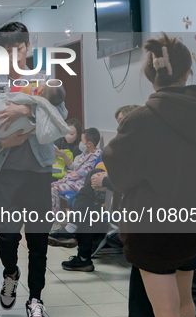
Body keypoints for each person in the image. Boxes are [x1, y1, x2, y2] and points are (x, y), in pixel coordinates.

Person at [103, 34, 196, 317]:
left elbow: (119, 175)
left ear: (151, 75)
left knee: (164, 314)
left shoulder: (140, 120)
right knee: (184, 303)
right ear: (187, 72)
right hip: (193, 226)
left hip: (153, 232)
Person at [0, 22, 68, 317]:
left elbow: (61, 116)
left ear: (27, 47)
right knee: (7, 234)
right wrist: (0, 141)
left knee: (38, 239)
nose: (13, 54)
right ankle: (10, 273)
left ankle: (35, 299)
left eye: (18, 48)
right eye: (6, 49)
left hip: (39, 171)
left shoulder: (45, 82)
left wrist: (27, 112)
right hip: (6, 171)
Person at [49, 106, 140, 272]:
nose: (119, 126)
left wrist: (105, 181)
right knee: (88, 192)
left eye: (121, 121)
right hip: (113, 193)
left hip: (129, 200)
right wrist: (104, 177)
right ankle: (77, 242)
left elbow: (134, 182)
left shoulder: (139, 148)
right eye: (118, 122)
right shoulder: (126, 145)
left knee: (86, 207)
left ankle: (79, 247)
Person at [0, 86, 69, 184]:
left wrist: (28, 110)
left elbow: (61, 113)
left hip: (40, 167)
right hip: (5, 168)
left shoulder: (45, 82)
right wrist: (0, 142)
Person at [50, 128, 102, 225]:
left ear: (89, 143)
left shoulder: (94, 156)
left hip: (82, 184)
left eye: (82, 141)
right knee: (52, 184)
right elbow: (76, 170)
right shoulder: (85, 154)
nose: (80, 144)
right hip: (75, 182)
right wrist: (68, 175)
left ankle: (55, 223)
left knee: (54, 188)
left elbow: (81, 173)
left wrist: (64, 179)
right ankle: (54, 218)